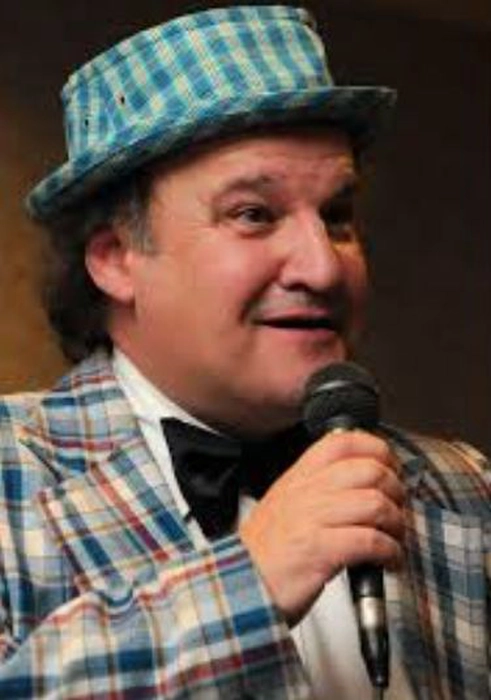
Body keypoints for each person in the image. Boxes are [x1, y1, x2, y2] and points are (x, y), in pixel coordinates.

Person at [0, 5, 489, 699]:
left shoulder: (465, 489)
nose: (322, 267)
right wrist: (249, 582)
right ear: (116, 259)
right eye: (253, 215)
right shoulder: (11, 479)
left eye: (337, 216)